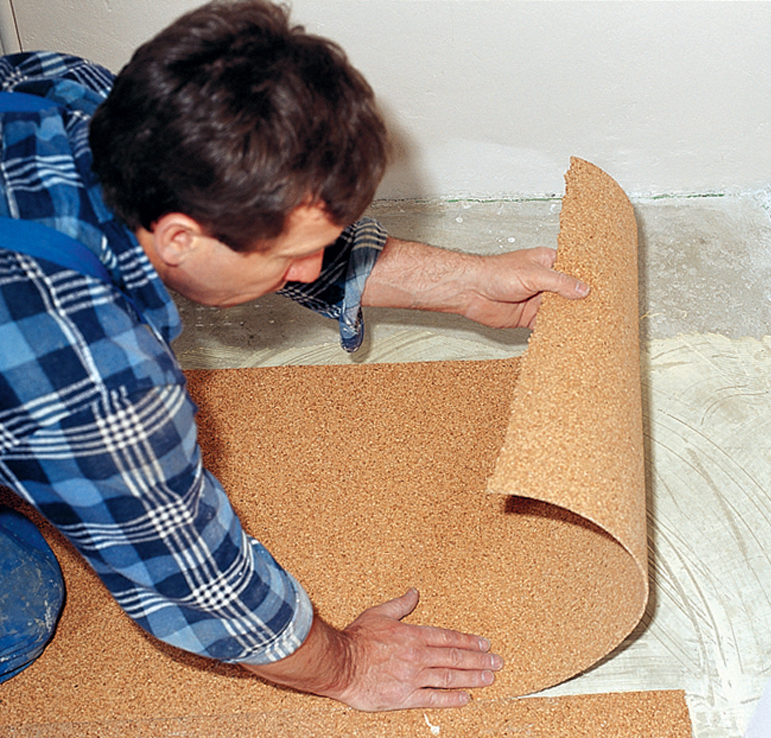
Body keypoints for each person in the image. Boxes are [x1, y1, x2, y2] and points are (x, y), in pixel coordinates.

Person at [0, 0, 589, 711]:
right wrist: (344, 666)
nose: (310, 269)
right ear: (182, 237)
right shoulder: (90, 371)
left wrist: (465, 283)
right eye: (290, 256)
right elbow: (188, 569)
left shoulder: (70, 95)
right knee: (19, 606)